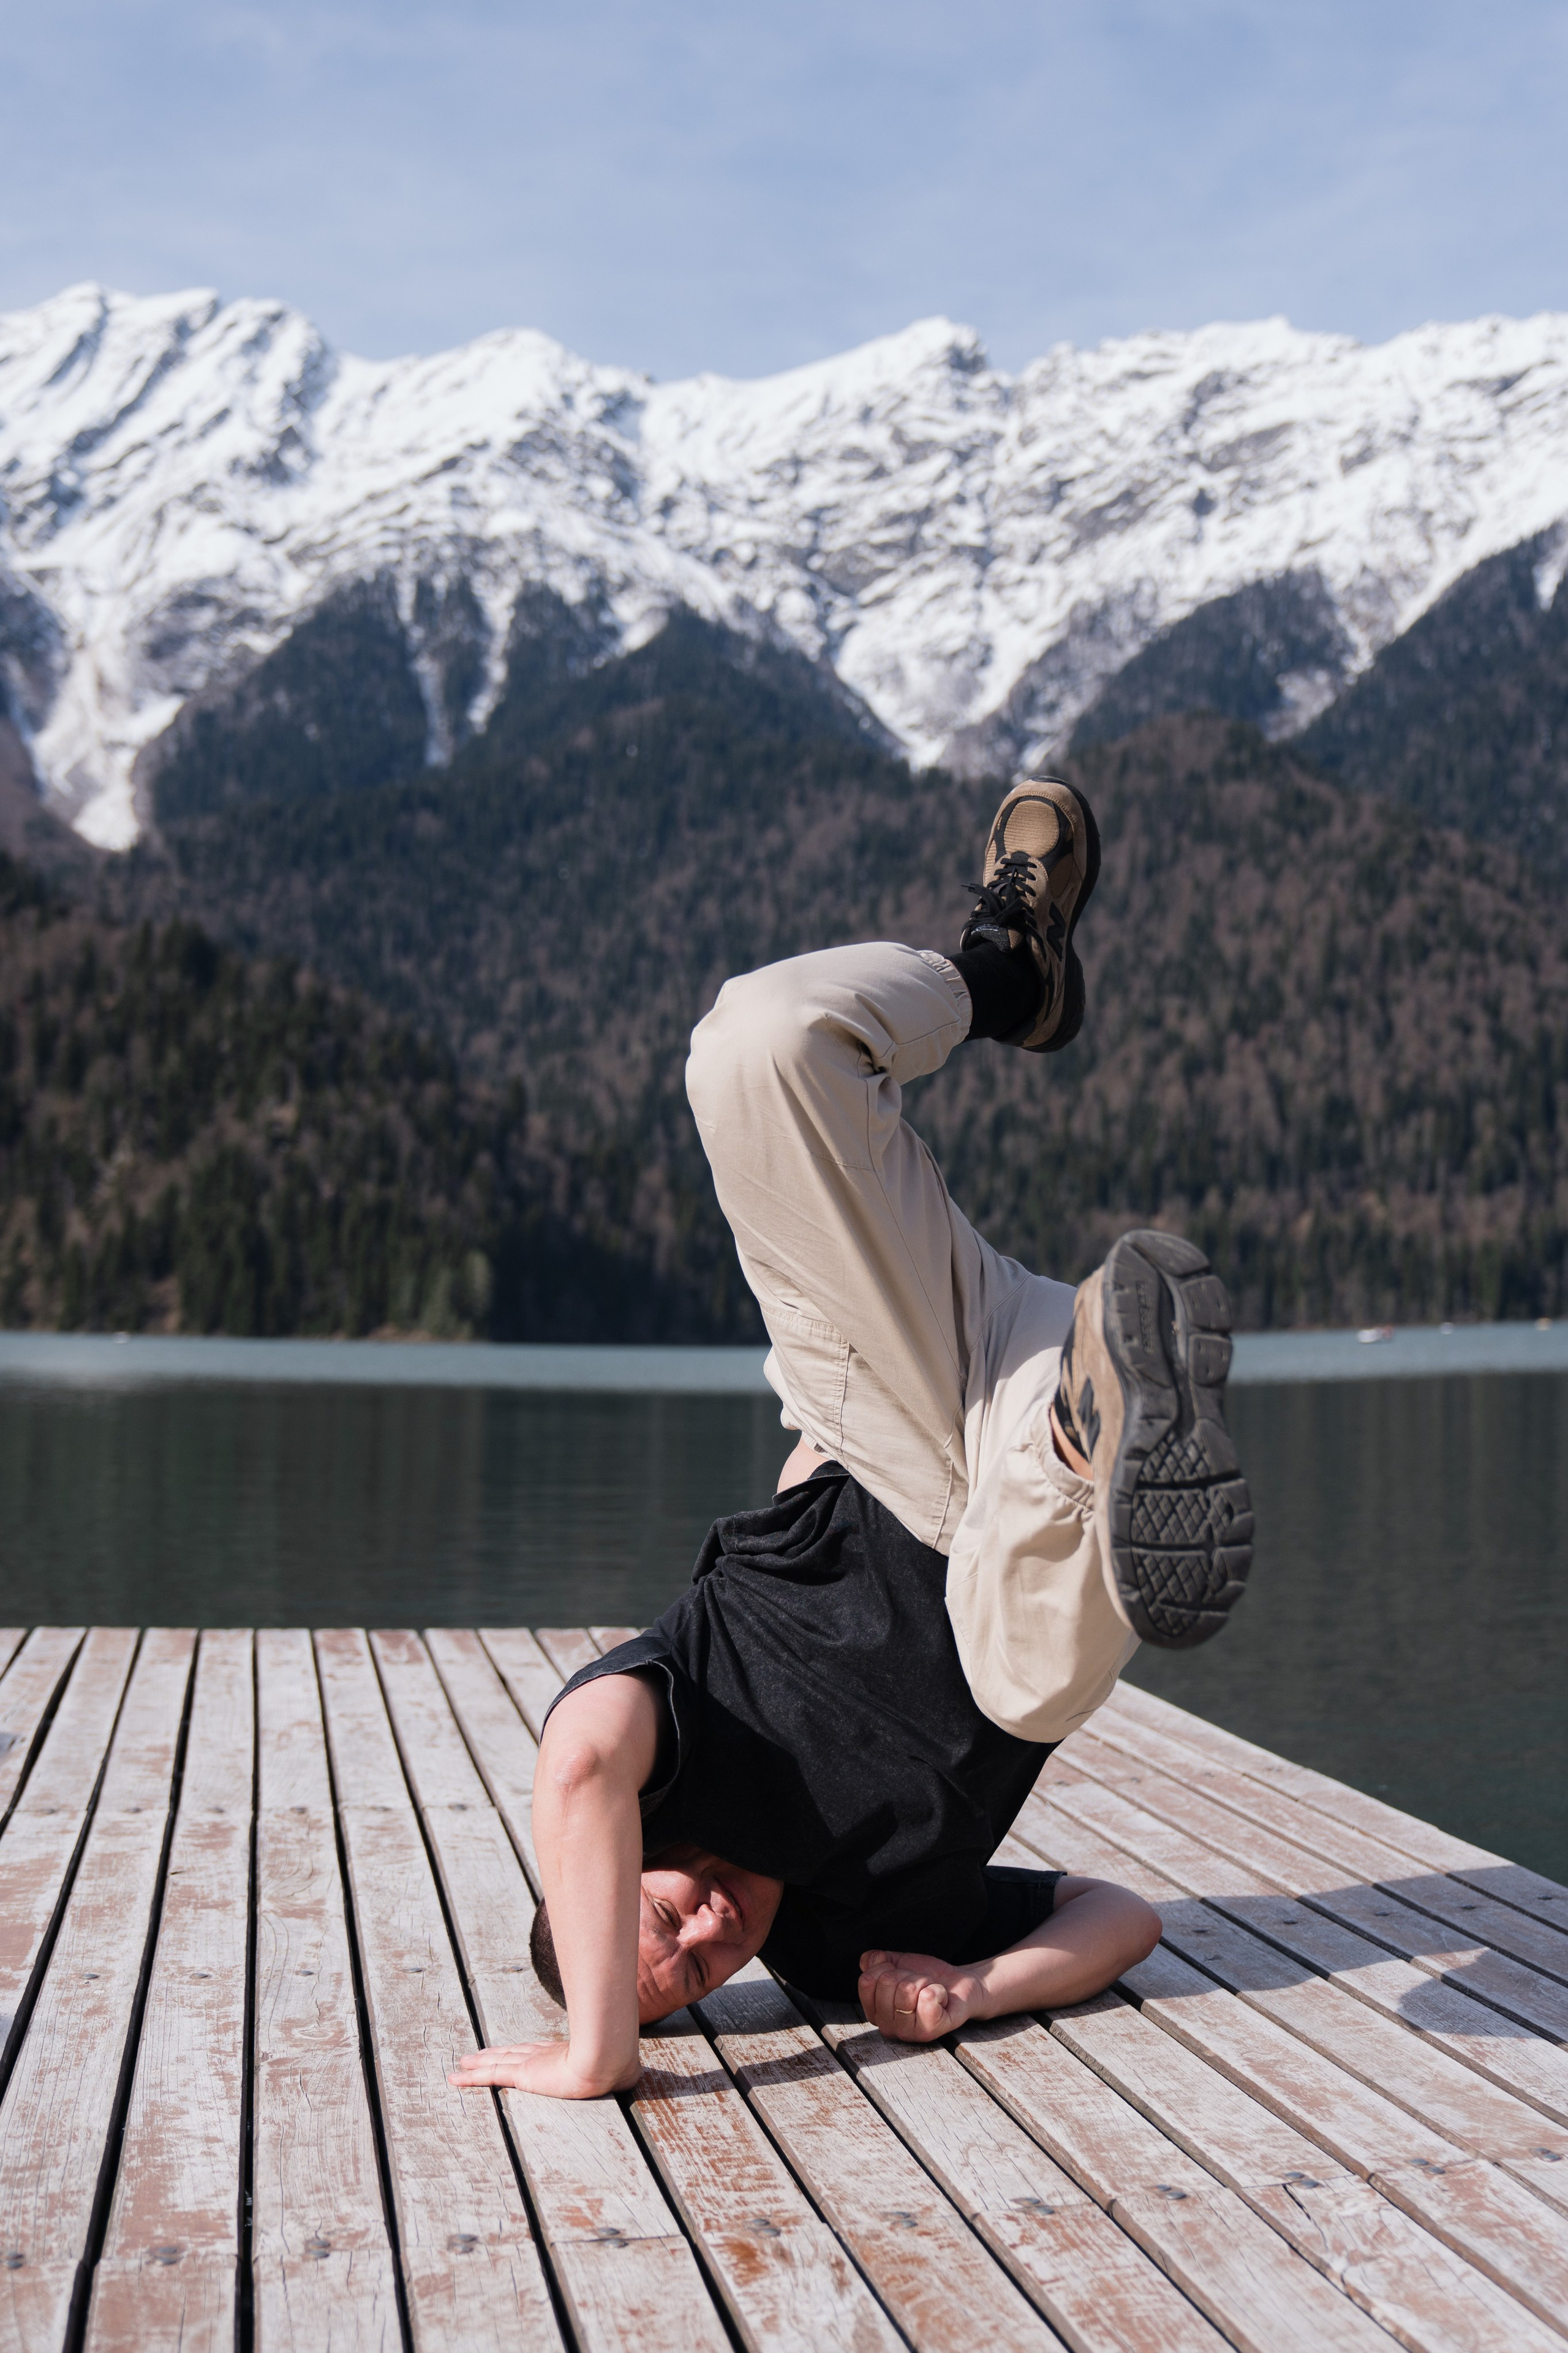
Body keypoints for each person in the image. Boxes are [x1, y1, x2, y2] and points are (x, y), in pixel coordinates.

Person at [450, 778, 1253, 2102]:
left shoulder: (668, 1744)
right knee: (1025, 1675)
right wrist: (974, 1988)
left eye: (658, 1924)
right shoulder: (843, 1943)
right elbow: (1121, 1917)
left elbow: (579, 1761)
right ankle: (1096, 1423)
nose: (712, 1931)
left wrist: (601, 2050)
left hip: (873, 1410)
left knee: (754, 1045)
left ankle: (1005, 969)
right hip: (1016, 1478)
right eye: (702, 1976)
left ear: (608, 1875)